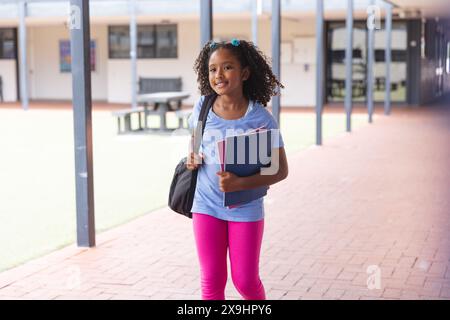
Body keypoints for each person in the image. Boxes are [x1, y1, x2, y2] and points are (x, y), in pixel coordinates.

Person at [186, 38, 289, 300]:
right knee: (211, 282)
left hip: (245, 209)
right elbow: (195, 144)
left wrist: (240, 184)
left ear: (244, 73)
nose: (218, 75)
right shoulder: (202, 107)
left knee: (245, 281)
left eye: (227, 67)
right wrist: (193, 158)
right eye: (212, 69)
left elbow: (280, 169)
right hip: (206, 205)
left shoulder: (261, 118)